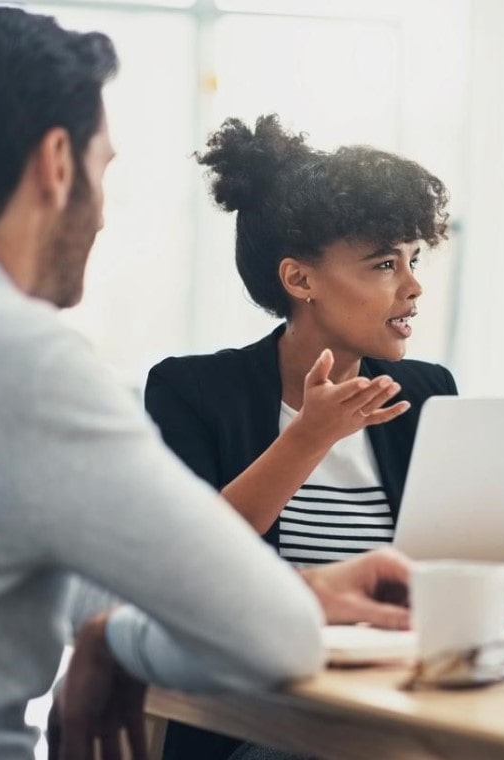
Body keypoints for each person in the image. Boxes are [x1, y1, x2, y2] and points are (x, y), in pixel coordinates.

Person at [0, 7, 413, 759]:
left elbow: (93, 597)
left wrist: (118, 634)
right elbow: (273, 638)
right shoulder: (27, 362)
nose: (101, 214)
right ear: (58, 164)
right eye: (103, 169)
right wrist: (300, 600)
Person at [143, 116, 454, 758]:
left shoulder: (425, 391)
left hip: (400, 693)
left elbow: (453, 551)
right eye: (383, 264)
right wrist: (308, 437)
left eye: (414, 259)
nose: (414, 286)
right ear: (300, 280)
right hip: (257, 716)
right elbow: (194, 561)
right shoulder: (192, 391)